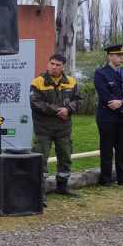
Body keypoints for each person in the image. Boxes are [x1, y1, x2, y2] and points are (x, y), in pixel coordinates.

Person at [29, 54, 82, 197]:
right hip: (43, 129)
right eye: (52, 63)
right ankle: (39, 193)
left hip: (63, 129)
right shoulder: (38, 82)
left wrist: (68, 109)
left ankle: (62, 187)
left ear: (63, 66)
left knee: (65, 157)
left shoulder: (71, 82)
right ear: (48, 64)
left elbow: (78, 100)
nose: (54, 67)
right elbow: (35, 103)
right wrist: (57, 110)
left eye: (58, 65)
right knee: (40, 160)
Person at [93, 44, 123, 187]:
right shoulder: (101, 73)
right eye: (118, 55)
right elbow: (106, 96)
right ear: (109, 56)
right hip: (108, 117)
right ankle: (106, 179)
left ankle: (122, 178)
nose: (122, 57)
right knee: (107, 148)